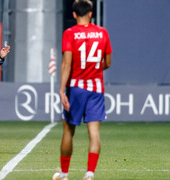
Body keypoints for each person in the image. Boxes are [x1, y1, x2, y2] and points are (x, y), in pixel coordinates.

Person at [53, 0, 112, 179]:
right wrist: (93, 71)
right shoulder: (102, 33)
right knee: (94, 133)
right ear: (90, 14)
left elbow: (66, 64)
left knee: (68, 131)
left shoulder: (70, 33)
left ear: (74, 14)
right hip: (96, 88)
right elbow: (108, 63)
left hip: (76, 88)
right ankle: (89, 173)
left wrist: (62, 90)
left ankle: (64, 174)